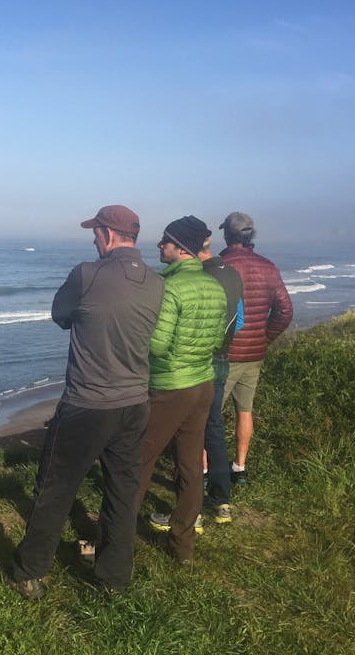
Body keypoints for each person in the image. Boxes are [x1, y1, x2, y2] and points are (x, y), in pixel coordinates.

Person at [11, 205, 164, 598]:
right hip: (135, 403)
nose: (92, 239)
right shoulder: (155, 282)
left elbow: (60, 314)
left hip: (87, 404)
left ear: (109, 235)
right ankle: (114, 580)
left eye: (95, 232)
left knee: (55, 488)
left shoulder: (87, 275)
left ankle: (29, 571)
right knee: (122, 492)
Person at [136, 216, 226, 564]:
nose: (159, 246)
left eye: (165, 241)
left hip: (170, 386)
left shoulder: (168, 288)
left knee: (139, 460)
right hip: (203, 383)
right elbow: (218, 339)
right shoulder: (214, 286)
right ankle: (182, 547)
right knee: (189, 467)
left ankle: (116, 540)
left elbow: (157, 346)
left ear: (181, 248)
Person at [218, 212, 293, 487]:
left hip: (226, 354)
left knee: (208, 416)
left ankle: (203, 472)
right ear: (251, 236)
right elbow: (285, 311)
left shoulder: (221, 266)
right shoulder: (269, 267)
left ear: (227, 235)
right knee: (245, 410)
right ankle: (240, 469)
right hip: (254, 354)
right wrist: (264, 338)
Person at [199, 237, 244, 522]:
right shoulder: (231, 273)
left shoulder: (199, 277)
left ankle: (190, 508)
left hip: (200, 359)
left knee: (188, 429)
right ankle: (221, 500)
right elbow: (238, 320)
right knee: (213, 427)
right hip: (223, 357)